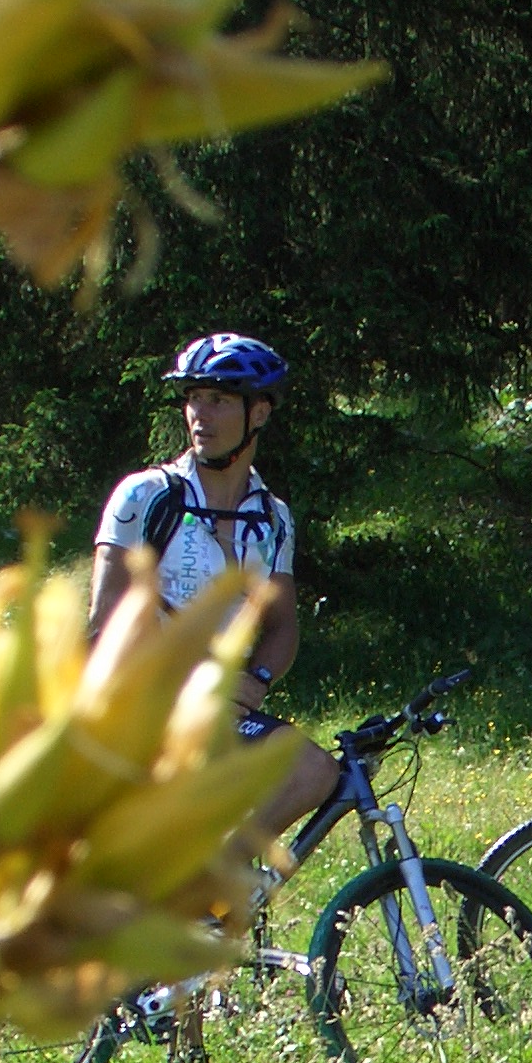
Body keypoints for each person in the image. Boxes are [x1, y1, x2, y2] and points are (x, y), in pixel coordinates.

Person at [90, 333, 337, 840]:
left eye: (219, 400)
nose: (200, 414)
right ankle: (201, 888)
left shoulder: (273, 518)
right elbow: (104, 622)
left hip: (220, 713)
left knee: (316, 772)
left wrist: (257, 681)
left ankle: (210, 895)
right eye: (193, 398)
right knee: (308, 770)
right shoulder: (146, 496)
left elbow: (282, 625)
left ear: (260, 413)